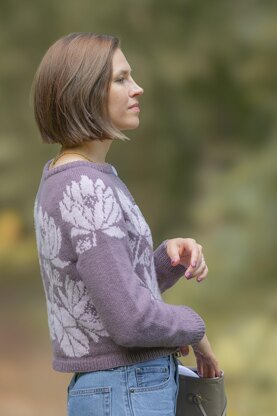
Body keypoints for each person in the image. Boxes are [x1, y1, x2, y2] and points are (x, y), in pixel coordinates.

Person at [32, 32, 220, 416]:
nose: (138, 89)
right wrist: (194, 326)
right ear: (82, 90)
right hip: (127, 389)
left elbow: (106, 291)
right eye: (121, 79)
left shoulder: (67, 177)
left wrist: (166, 263)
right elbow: (130, 321)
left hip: (118, 390)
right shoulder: (85, 186)